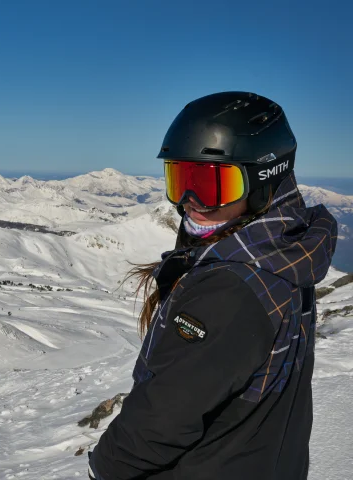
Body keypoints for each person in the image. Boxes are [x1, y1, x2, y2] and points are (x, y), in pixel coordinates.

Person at [87, 92, 338, 480]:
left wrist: (105, 467)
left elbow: (158, 424)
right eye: (180, 180)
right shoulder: (288, 253)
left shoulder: (227, 291)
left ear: (262, 181)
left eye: (210, 184)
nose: (190, 202)